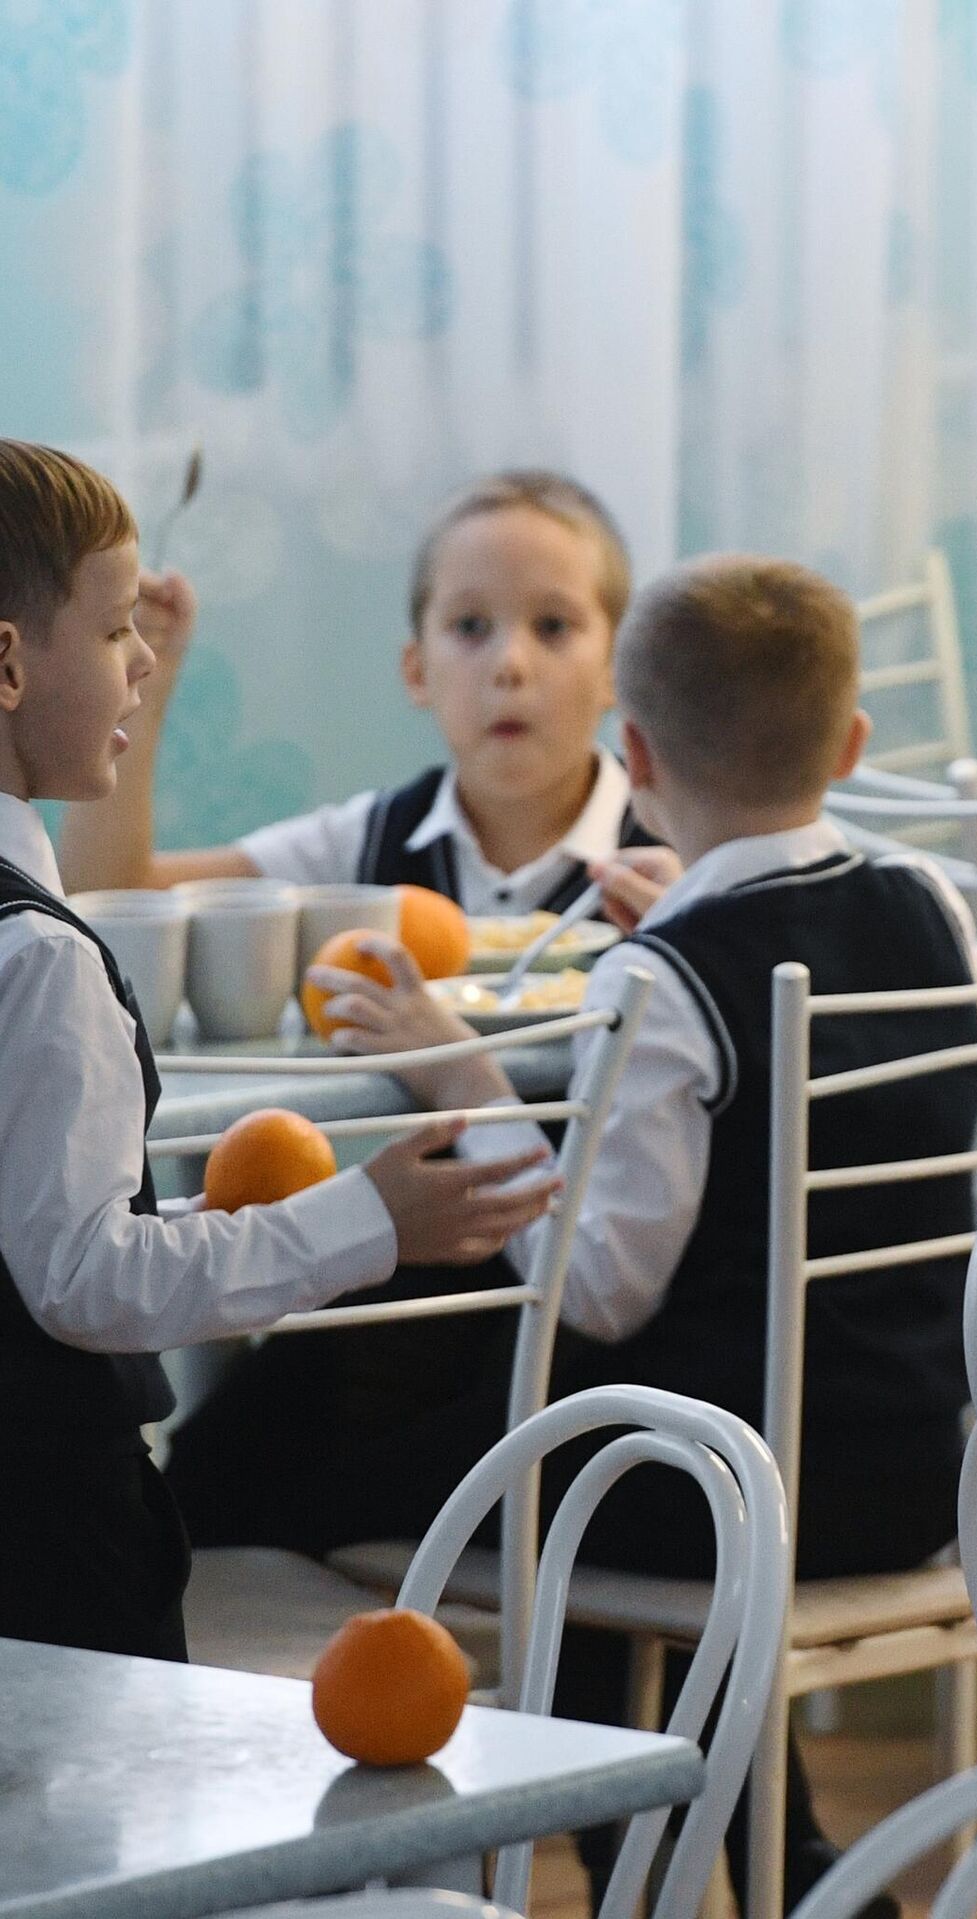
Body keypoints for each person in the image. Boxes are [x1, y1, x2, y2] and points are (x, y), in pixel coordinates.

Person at [188, 555, 977, 1915]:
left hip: (709, 1488)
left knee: (301, 1479)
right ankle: (785, 1871)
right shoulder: (931, 904)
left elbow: (603, 1289)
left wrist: (460, 1065)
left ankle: (510, 1864)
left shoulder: (665, 977)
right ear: (852, 743)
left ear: (638, 753)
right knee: (568, 1458)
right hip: (912, 1467)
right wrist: (683, 919)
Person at [0, 439, 557, 1661]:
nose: (144, 658)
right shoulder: (39, 958)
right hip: (44, 1531)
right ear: (9, 666)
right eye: (112, 629)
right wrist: (365, 1219)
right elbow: (86, 1280)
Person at [59, 469, 662, 917]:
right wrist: (143, 676)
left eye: (552, 627)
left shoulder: (680, 846)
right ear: (417, 672)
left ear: (617, 668)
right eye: (471, 627)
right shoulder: (363, 846)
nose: (510, 665)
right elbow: (110, 897)